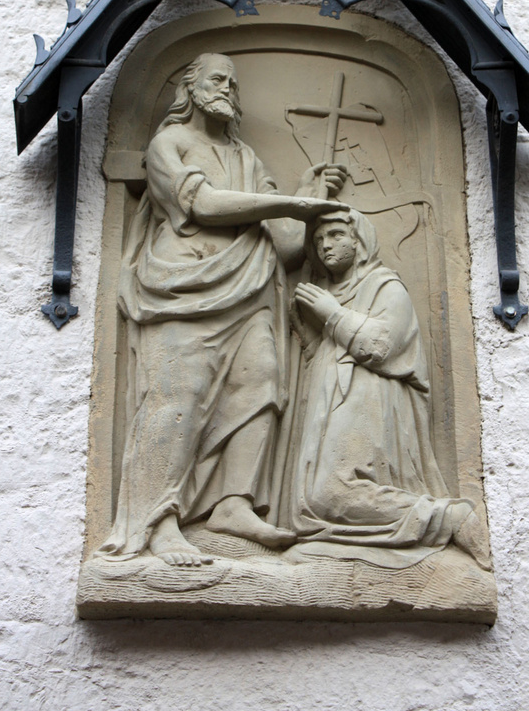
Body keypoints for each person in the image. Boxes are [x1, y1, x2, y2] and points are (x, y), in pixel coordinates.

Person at [97, 53, 347, 567]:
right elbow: (205, 206)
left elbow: (283, 248)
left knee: (261, 385)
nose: (229, 89)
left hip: (251, 292)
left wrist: (308, 198)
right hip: (183, 287)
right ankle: (158, 522)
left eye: (234, 82)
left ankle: (234, 504)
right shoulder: (171, 144)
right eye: (217, 79)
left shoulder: (249, 160)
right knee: (176, 399)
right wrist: (291, 205)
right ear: (190, 88)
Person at [284, 209, 487, 569]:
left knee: (332, 492)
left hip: (369, 399)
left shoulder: (384, 286)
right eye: (318, 240)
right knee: (315, 501)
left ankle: (449, 519)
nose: (324, 245)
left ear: (359, 241)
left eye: (334, 236)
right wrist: (308, 332)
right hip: (333, 403)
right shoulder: (329, 292)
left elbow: (381, 347)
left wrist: (331, 313)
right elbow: (328, 356)